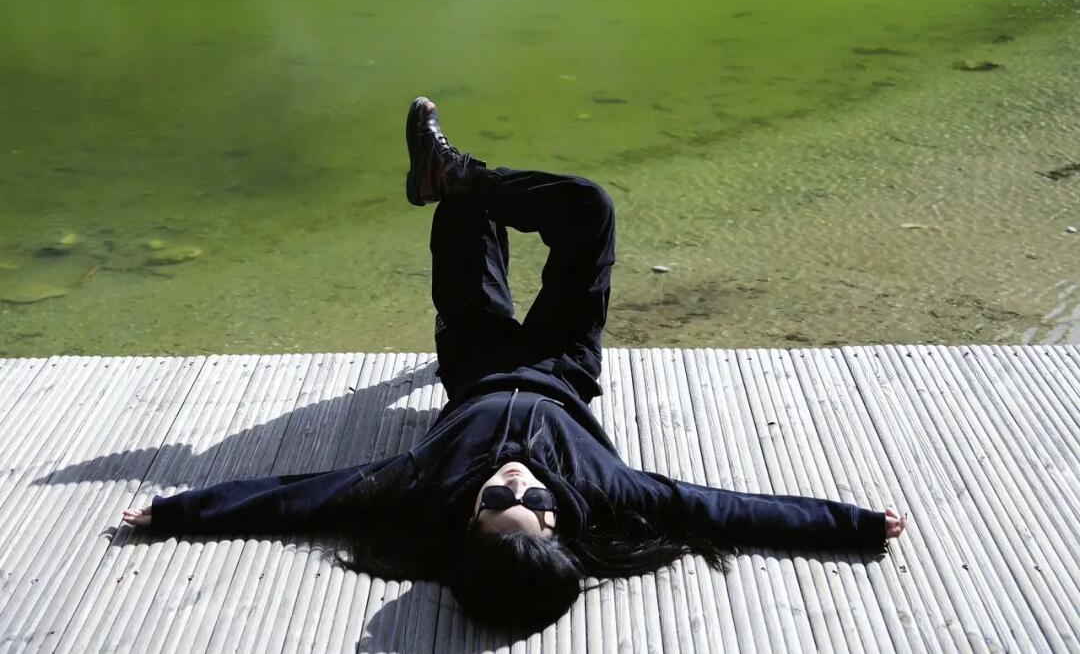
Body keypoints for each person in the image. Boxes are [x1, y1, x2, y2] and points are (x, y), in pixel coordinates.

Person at [122, 97, 907, 638]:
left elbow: (299, 500)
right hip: (564, 366)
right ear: (555, 517)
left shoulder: (424, 484)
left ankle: (456, 184)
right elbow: (728, 511)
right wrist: (855, 526)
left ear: (471, 517)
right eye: (530, 501)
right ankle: (458, 171)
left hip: (479, 363)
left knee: (464, 219)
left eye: (496, 500)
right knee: (590, 209)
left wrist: (179, 511)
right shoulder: (607, 489)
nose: (514, 482)